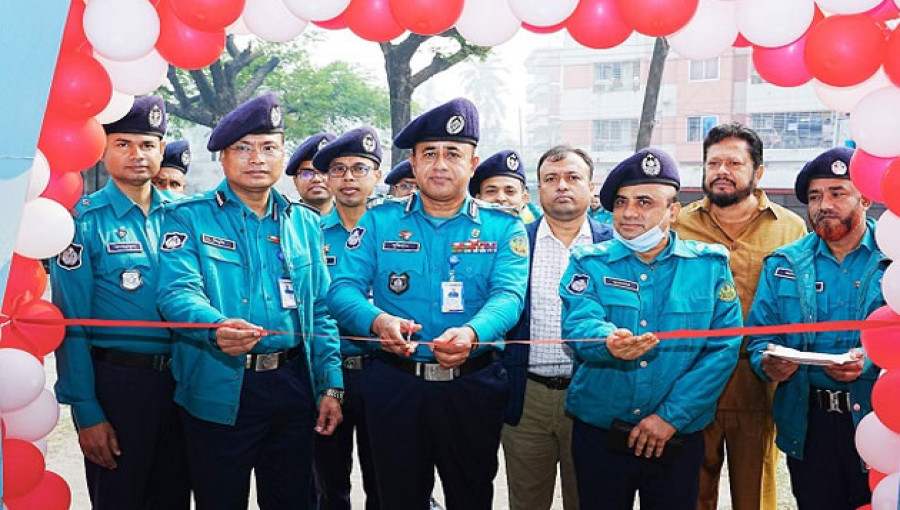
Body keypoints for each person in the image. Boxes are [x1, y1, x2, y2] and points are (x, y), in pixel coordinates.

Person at [327, 98, 528, 510]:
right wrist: (377, 320)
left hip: (473, 386)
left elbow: (509, 296)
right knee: (396, 497)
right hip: (396, 385)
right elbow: (342, 289)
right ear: (414, 165)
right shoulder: (379, 220)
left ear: (472, 164)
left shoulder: (502, 226)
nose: (440, 164)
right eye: (429, 154)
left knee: (470, 495)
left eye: (453, 153)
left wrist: (473, 333)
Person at [156, 92, 343, 510]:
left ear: (282, 155)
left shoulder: (304, 223)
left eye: (269, 147)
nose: (257, 158)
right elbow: (176, 292)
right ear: (223, 157)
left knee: (294, 500)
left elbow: (322, 311)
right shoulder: (189, 216)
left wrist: (331, 384)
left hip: (294, 383)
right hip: (220, 384)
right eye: (243, 147)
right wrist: (214, 327)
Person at [560, 148, 743, 510]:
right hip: (601, 433)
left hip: (676, 435)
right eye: (621, 202)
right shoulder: (589, 263)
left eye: (645, 202)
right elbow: (578, 321)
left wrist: (670, 417)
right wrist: (606, 340)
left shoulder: (708, 267)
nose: (629, 213)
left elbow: (722, 349)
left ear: (673, 211)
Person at [51, 96, 190, 510]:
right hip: (118, 385)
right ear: (104, 149)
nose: (137, 155)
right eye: (124, 143)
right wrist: (86, 410)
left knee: (173, 498)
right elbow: (70, 324)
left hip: (182, 383)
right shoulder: (82, 221)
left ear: (162, 151)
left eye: (148, 145)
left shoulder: (185, 217)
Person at [674, 122, 807, 510]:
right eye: (713, 162)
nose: (722, 171)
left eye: (734, 162)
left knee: (755, 496)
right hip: (692, 384)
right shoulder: (678, 224)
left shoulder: (790, 228)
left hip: (759, 386)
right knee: (692, 492)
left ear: (758, 172)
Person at [747, 147, 883, 510]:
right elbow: (760, 337)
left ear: (865, 197)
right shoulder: (783, 264)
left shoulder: (893, 260)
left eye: (837, 193)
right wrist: (767, 362)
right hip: (809, 425)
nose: (824, 204)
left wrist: (868, 361)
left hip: (881, 421)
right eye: (814, 196)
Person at [501, 145, 613, 510]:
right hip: (527, 395)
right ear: (537, 190)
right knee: (527, 500)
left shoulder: (614, 247)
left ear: (591, 186)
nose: (561, 186)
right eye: (551, 179)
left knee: (590, 498)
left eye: (572, 177)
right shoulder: (516, 242)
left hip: (593, 392)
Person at [309, 126, 383, 510]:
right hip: (330, 376)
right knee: (329, 483)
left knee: (386, 480)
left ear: (378, 175)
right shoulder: (310, 235)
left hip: (386, 371)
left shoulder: (395, 231)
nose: (349, 178)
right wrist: (329, 384)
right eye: (338, 169)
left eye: (359, 168)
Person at [469, 149, 540, 224]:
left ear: (524, 198)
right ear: (478, 199)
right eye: (491, 191)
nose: (501, 198)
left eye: (510, 191)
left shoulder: (539, 232)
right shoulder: (463, 231)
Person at [287, 132, 337, 214]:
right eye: (306, 173)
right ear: (295, 181)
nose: (316, 179)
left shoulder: (358, 222)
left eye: (324, 172)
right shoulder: (283, 222)